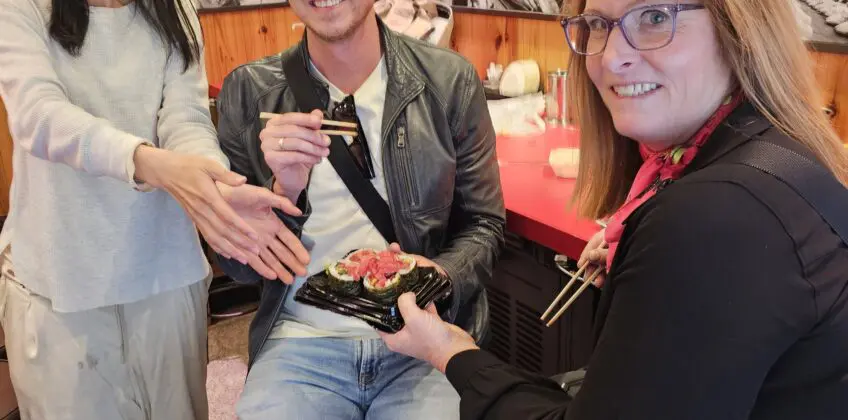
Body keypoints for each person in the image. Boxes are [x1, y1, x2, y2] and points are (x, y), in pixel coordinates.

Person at [380, 0, 848, 419]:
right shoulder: (781, 151)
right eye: (599, 24)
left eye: (655, 17)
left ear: (740, 31)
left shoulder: (714, 217)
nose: (610, 57)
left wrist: (451, 350)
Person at [0, 0, 301, 418]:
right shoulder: (22, 7)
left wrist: (216, 186)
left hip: (166, 276)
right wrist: (148, 162)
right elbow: (38, 116)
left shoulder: (175, 8)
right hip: (62, 285)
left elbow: (186, 119)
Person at [212, 0, 506, 418]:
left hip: (425, 341)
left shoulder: (449, 79)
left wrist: (440, 276)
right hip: (301, 341)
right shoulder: (249, 90)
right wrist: (285, 191)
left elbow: (484, 224)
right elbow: (237, 267)